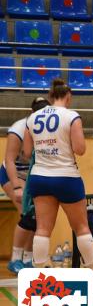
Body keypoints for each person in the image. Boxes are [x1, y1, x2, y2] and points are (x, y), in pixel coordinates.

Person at [22, 82, 93, 284]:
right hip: (66, 176)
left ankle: (39, 273)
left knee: (42, 229)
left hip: (40, 176)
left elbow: (26, 153)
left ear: (50, 96)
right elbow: (80, 149)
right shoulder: (71, 116)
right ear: (68, 96)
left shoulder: (32, 118)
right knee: (81, 227)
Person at [2, 97, 50, 273]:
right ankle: (15, 258)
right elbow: (9, 159)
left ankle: (29, 258)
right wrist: (16, 186)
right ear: (31, 114)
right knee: (27, 215)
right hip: (13, 173)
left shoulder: (46, 128)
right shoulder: (18, 129)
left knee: (38, 218)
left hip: (32, 174)